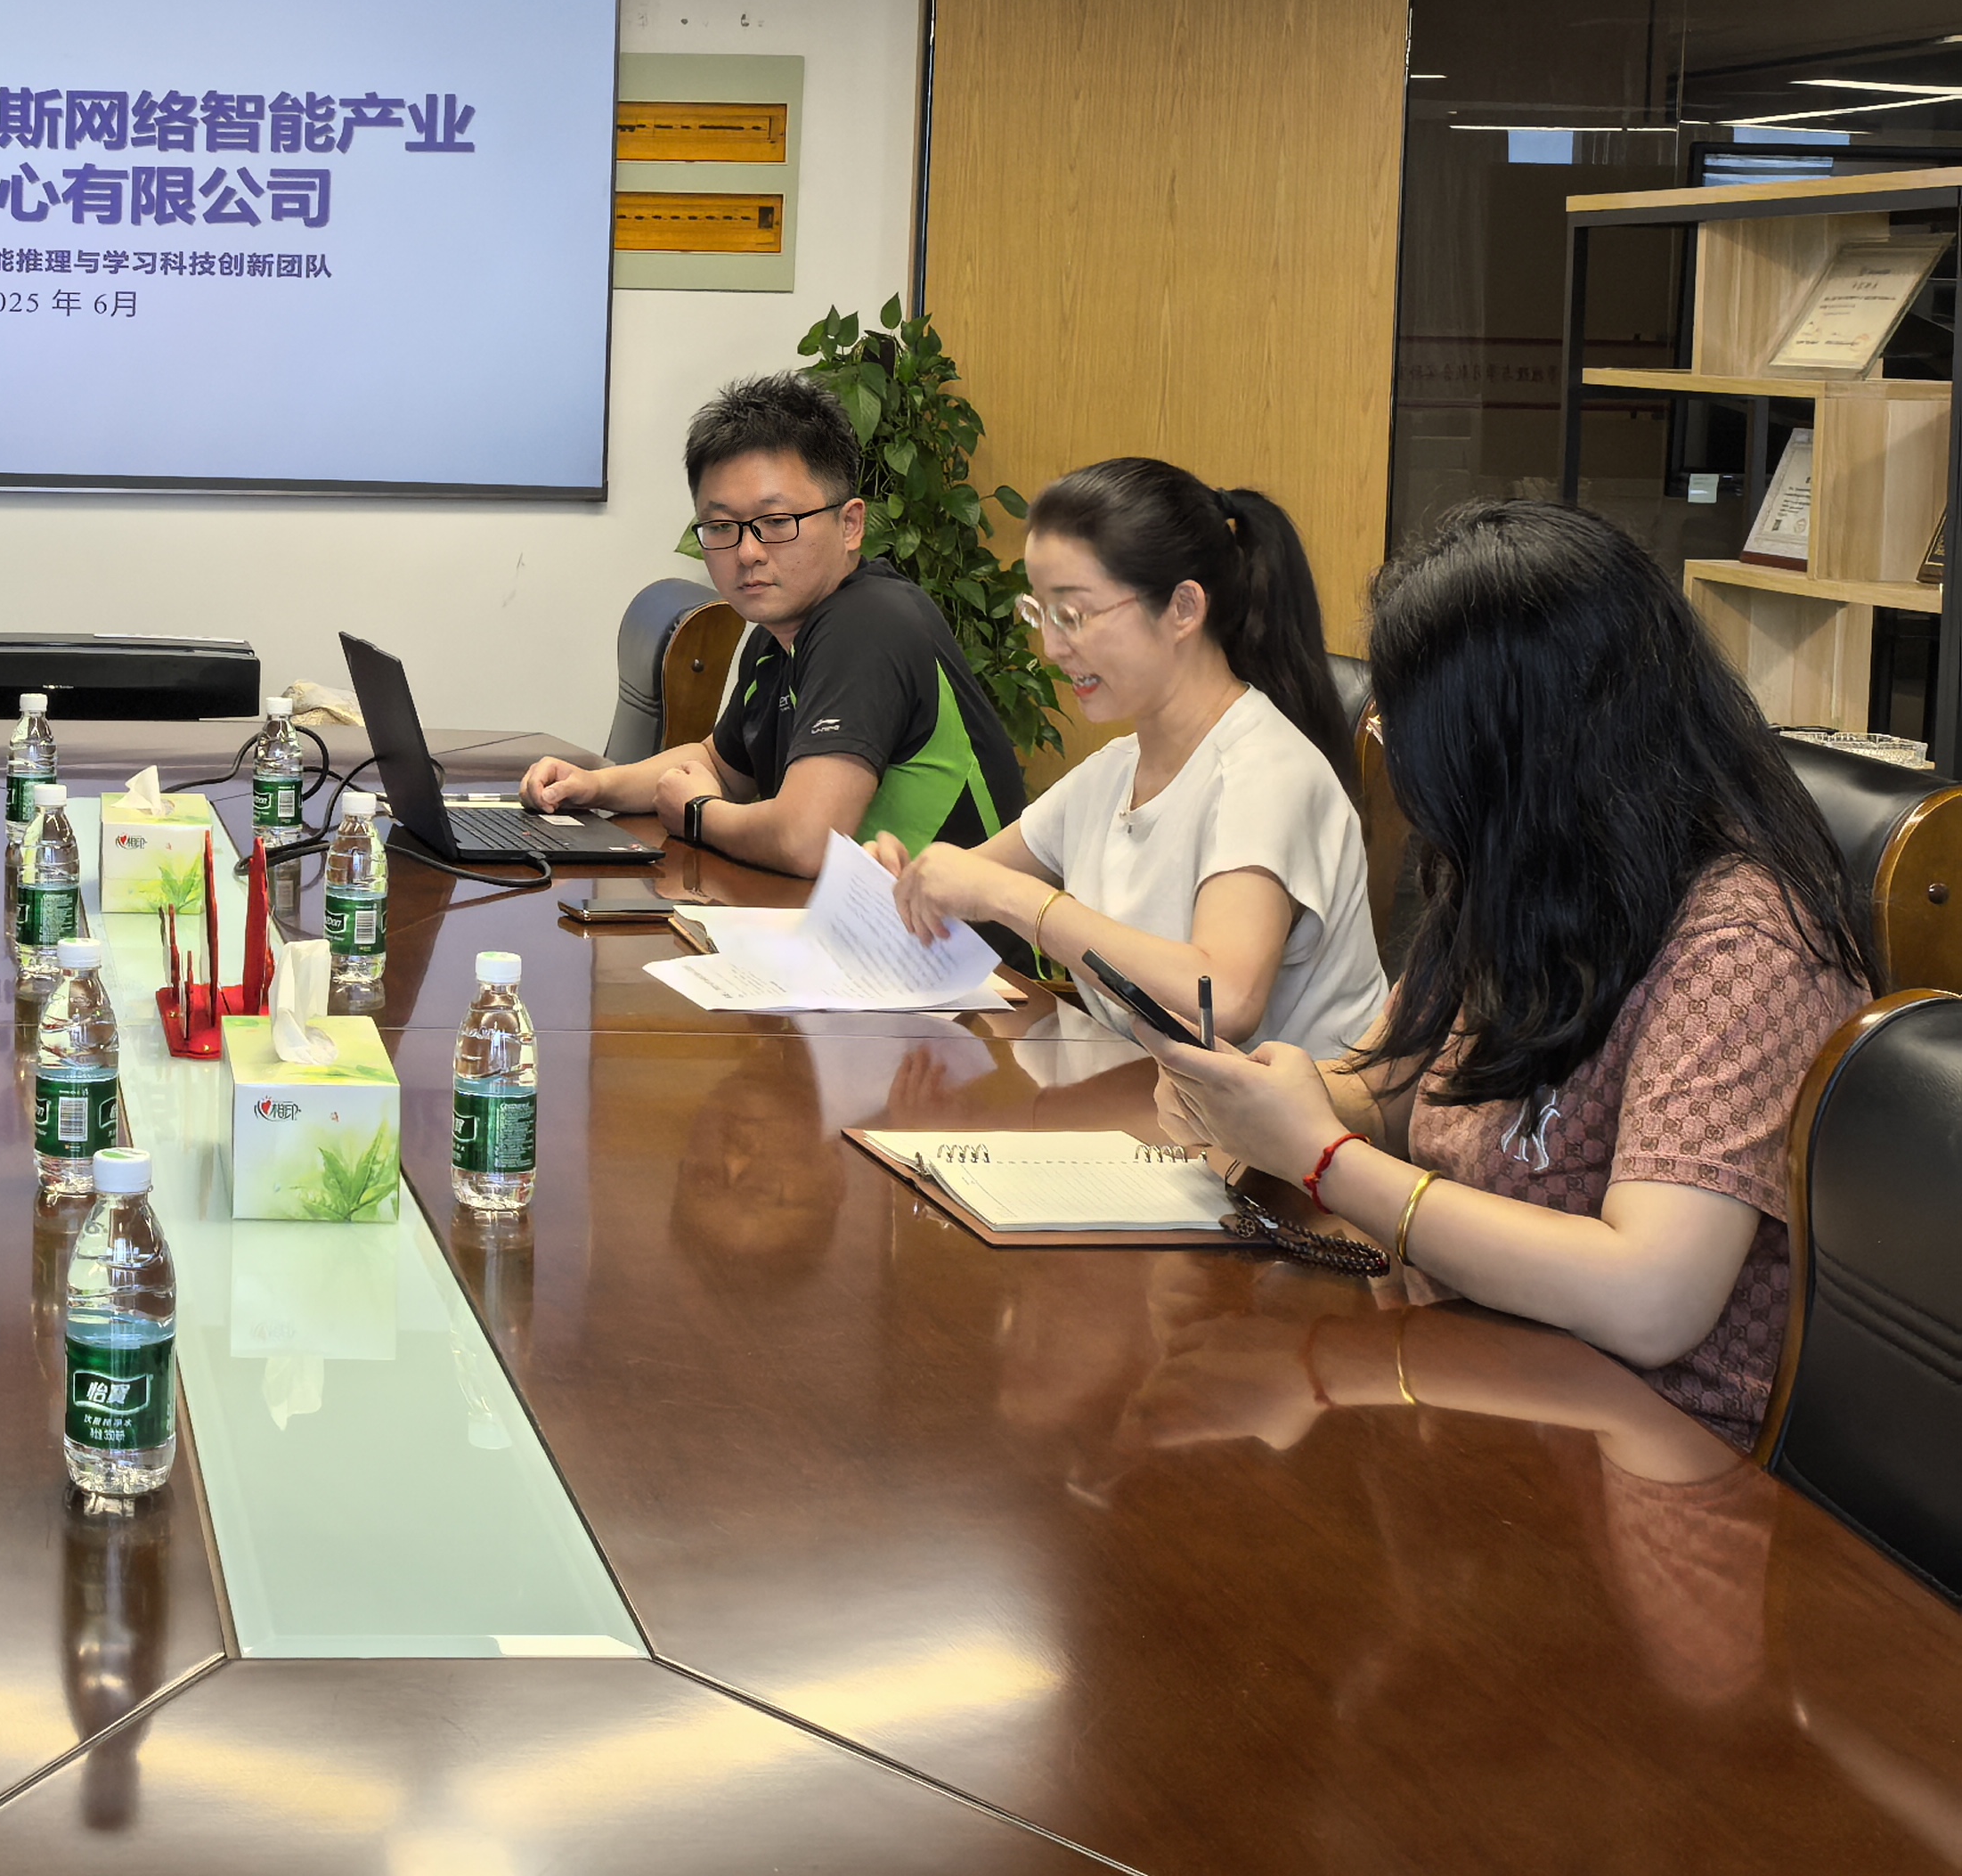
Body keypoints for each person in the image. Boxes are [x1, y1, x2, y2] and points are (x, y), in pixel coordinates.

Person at [1140, 501, 1874, 1450]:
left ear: (1517, 749)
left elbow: (1651, 1297)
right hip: (1469, 1372)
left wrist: (1324, 1160)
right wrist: (1265, 1099)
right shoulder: (1527, 865)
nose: (1400, 765)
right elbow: (1388, 1086)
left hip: (1640, 1448)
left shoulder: (1744, 945)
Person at [875, 457, 1381, 1056]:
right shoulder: (1114, 770)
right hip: (1142, 1092)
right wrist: (905, 881)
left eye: (1074, 615)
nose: (1051, 647)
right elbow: (966, 882)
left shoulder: (1266, 774)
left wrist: (1016, 900)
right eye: (1040, 613)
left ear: (1183, 608)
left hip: (1292, 1114)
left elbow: (1224, 1000)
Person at [518, 372, 1025, 872]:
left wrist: (698, 813)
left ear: (850, 524)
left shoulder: (869, 623)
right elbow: (721, 766)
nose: (748, 552)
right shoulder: (774, 639)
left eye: (777, 522)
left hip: (960, 928)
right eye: (722, 526)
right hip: (858, 918)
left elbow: (807, 840)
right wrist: (594, 785)